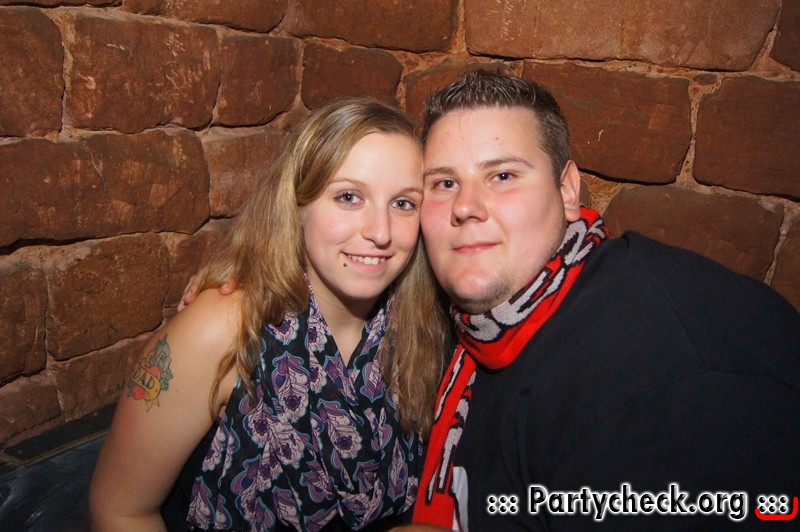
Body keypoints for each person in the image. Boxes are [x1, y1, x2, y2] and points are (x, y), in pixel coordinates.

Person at [404, 69, 800, 530]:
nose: (465, 206)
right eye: (444, 183)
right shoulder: (496, 318)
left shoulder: (666, 385)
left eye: (503, 175)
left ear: (567, 191)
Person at [89, 97, 450, 531]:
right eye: (348, 197)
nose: (380, 232)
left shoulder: (423, 326)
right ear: (297, 206)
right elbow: (120, 511)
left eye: (404, 203)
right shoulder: (222, 327)